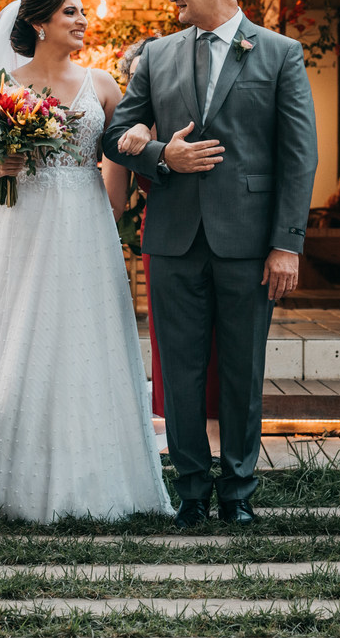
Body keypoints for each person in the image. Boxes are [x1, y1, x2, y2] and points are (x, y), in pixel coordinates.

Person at [0, 0, 171, 523]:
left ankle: (98, 469)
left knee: (86, 334)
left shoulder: (102, 85)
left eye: (82, 12)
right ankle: (4, 467)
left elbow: (119, 177)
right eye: (71, 13)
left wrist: (134, 150)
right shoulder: (3, 86)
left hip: (86, 227)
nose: (82, 21)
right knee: (20, 330)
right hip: (24, 228)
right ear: (39, 23)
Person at [102, 0, 318, 528]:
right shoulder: (156, 54)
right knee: (180, 369)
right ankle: (193, 491)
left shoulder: (280, 54)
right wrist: (159, 154)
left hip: (250, 244)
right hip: (173, 237)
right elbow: (115, 131)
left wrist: (286, 244)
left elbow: (298, 158)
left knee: (244, 369)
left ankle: (239, 492)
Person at [116, 39, 221, 421]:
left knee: (217, 334)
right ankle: (172, 412)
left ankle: (217, 413)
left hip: (218, 228)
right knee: (171, 335)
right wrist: (144, 131)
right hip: (165, 231)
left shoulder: (194, 111)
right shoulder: (134, 127)